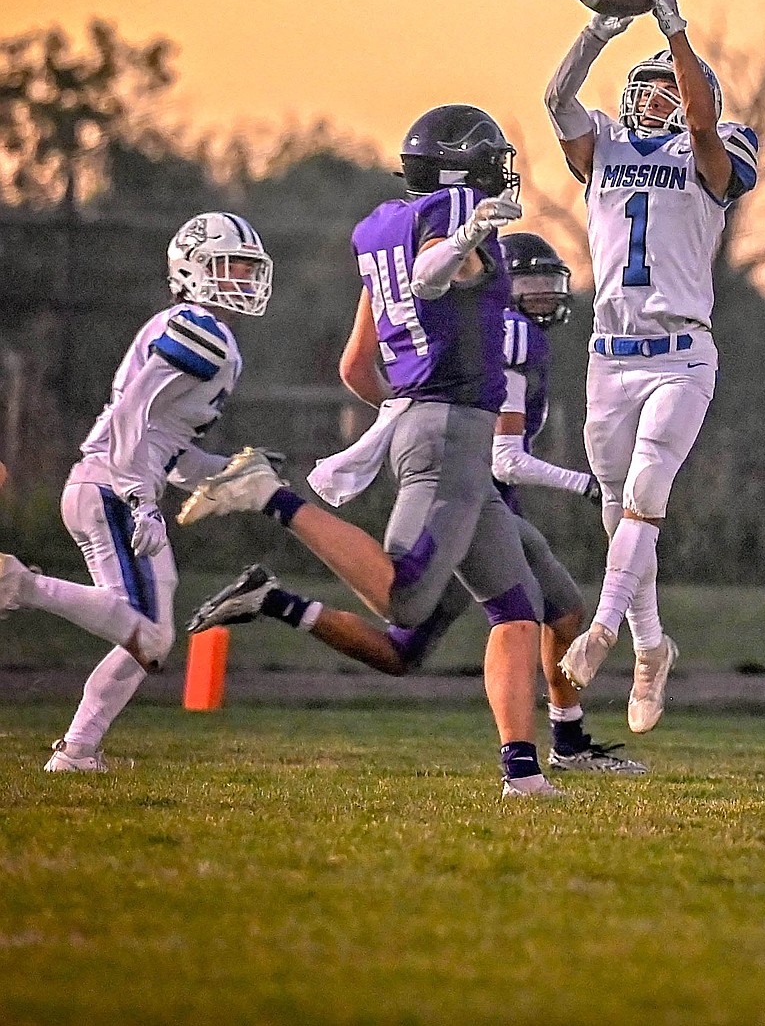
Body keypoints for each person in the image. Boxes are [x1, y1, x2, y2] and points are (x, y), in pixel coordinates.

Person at [175, 106, 560, 798]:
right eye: (489, 158)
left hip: (438, 426)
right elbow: (433, 275)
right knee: (407, 601)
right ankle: (269, 494)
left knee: (515, 606)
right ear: (459, 168)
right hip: (450, 431)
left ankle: (523, 775)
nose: (502, 169)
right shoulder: (452, 221)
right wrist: (470, 232)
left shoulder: (380, 230)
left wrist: (406, 404)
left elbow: (357, 366)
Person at [186, 231, 645, 775]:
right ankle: (271, 516)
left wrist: (406, 414)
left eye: (551, 283)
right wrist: (590, 485)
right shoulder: (510, 329)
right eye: (532, 282)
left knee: (550, 609)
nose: (544, 295)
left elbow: (356, 368)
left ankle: (554, 752)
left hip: (467, 483)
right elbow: (505, 457)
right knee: (408, 625)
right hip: (465, 489)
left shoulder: (388, 262)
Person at [543, 0, 759, 732]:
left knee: (646, 494)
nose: (654, 95)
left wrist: (675, 29)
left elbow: (702, 130)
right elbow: (555, 101)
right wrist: (597, 31)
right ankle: (652, 643)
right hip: (609, 354)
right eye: (651, 86)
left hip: (681, 355)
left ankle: (602, 634)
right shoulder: (601, 145)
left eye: (671, 86)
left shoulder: (718, 143)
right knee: (616, 511)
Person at [0, 213, 278, 772]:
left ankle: (78, 750)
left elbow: (163, 445)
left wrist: (225, 472)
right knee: (150, 634)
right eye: (232, 266)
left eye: (250, 267)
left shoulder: (197, 329)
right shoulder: (202, 328)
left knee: (150, 636)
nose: (244, 279)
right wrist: (139, 499)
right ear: (194, 269)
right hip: (112, 488)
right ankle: (18, 584)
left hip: (105, 484)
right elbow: (131, 413)